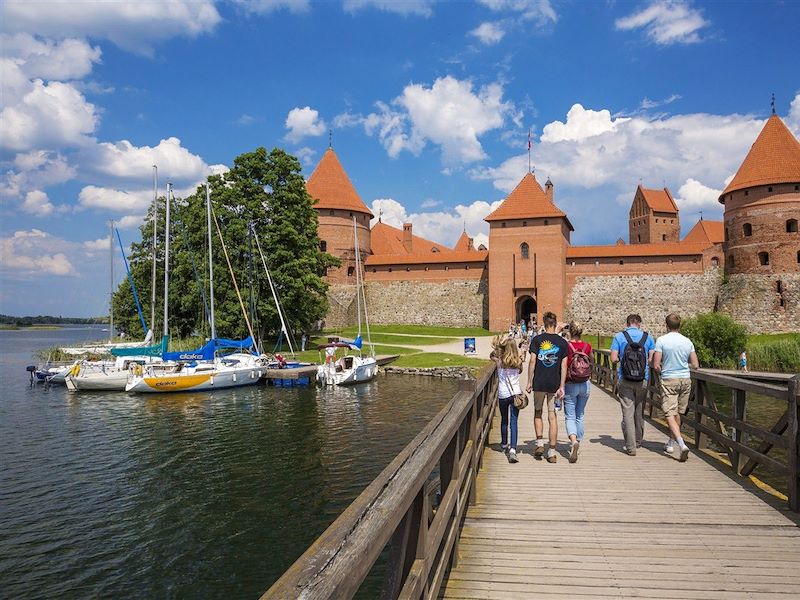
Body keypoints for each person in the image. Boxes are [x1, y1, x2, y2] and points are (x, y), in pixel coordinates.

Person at [653, 313, 699, 462]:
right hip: (685, 379)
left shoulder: (662, 340)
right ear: (680, 326)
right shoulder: (687, 341)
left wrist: (664, 370)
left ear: (667, 326)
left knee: (668, 413)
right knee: (678, 412)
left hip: (669, 379)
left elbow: (656, 364)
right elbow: (695, 365)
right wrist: (683, 366)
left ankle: (681, 443)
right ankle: (671, 443)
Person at [526, 311, 569, 463]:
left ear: (544, 324)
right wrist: (562, 386)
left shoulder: (537, 340)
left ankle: (539, 443)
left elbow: (532, 361)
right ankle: (551, 452)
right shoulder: (563, 343)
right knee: (552, 416)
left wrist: (529, 381)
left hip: (539, 381)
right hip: (554, 383)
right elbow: (564, 365)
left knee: (538, 412)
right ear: (555, 324)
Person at [610, 314, 655, 456]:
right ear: (639, 323)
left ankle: (631, 447)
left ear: (628, 323)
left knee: (627, 413)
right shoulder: (648, 337)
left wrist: (621, 359)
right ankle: (638, 441)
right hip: (643, 379)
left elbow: (613, 358)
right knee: (639, 411)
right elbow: (651, 359)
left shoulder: (619, 336)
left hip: (625, 379)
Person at [492, 335, 524, 463]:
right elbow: (520, 371)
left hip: (503, 395)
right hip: (515, 394)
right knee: (514, 422)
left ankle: (504, 444)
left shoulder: (500, 361)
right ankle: (513, 449)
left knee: (504, 420)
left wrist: (500, 346)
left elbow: (491, 355)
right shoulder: (518, 362)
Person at [563, 321, 592, 463]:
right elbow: (591, 363)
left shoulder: (567, 346)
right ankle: (578, 441)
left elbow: (564, 365)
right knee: (580, 414)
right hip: (585, 384)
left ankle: (573, 441)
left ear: (570, 331)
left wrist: (560, 384)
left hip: (571, 383)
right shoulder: (587, 346)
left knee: (570, 416)